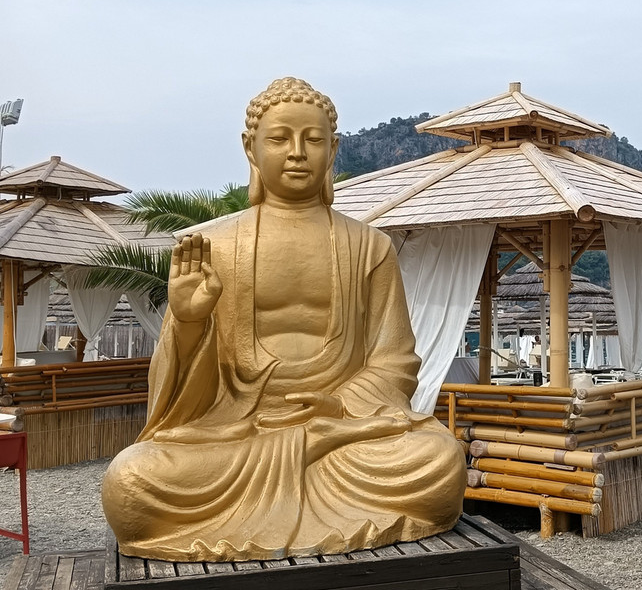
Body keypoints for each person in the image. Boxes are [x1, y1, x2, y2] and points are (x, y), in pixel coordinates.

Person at [102, 78, 465, 561]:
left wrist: (335, 405)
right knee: (133, 480)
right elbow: (182, 401)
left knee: (436, 463)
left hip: (342, 432)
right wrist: (190, 322)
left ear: (333, 149)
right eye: (279, 139)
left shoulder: (369, 246)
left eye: (313, 140)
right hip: (237, 431)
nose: (297, 153)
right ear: (250, 149)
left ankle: (318, 448)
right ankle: (306, 460)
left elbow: (395, 361)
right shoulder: (216, 246)